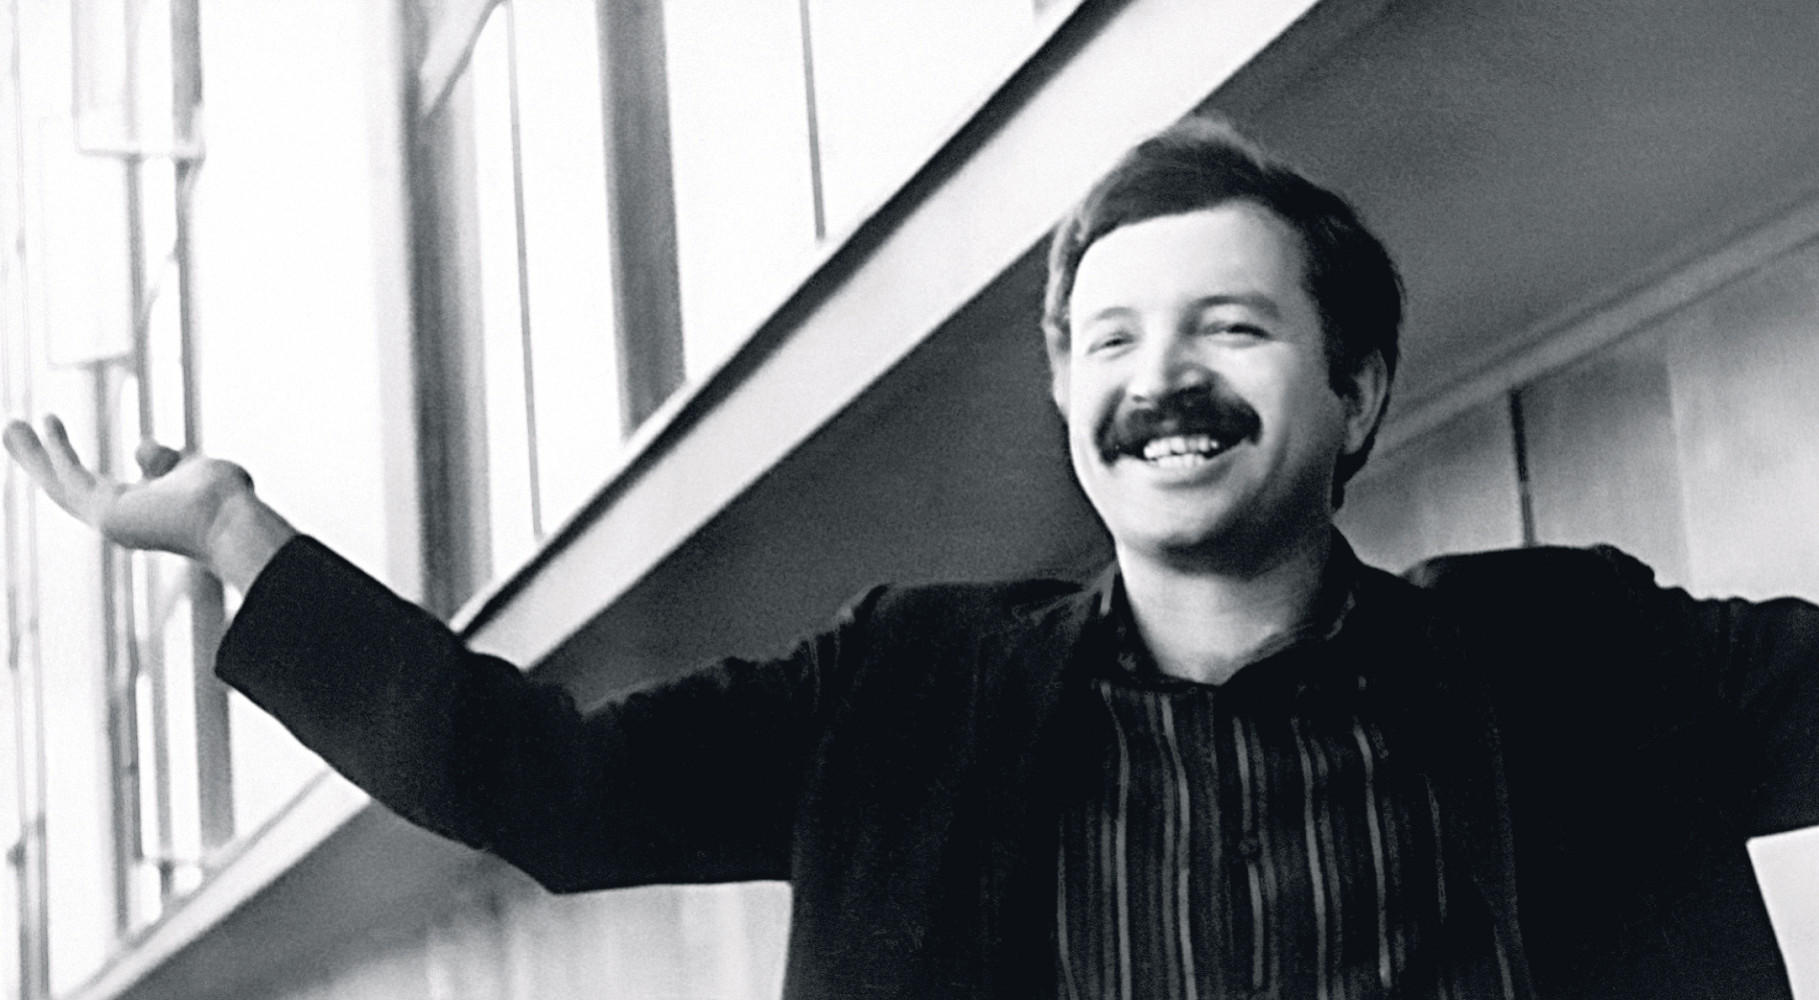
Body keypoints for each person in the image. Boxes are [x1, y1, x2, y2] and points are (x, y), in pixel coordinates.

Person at [7, 118, 1817, 1000]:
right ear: (1067, 398)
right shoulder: (909, 692)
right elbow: (547, 786)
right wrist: (241, 539)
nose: (1164, 380)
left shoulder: (1577, 661)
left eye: (1231, 329)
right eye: (1112, 341)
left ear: (1357, 388)